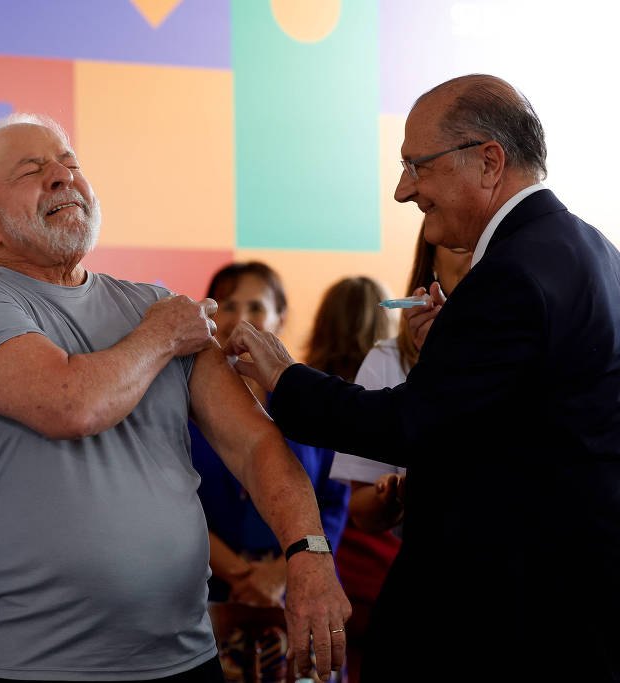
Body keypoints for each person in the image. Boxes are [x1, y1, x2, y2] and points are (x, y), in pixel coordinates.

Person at [0, 113, 351, 682]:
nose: (62, 177)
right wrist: (161, 336)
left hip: (185, 657)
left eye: (69, 163)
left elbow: (255, 446)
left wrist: (309, 553)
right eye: (32, 170)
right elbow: (71, 404)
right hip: (31, 666)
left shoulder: (157, 306)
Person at [223, 74, 620, 680]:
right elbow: (520, 417)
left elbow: (408, 423)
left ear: (489, 161)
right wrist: (453, 354)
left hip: (503, 617)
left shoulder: (513, 272)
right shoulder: (592, 249)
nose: (403, 189)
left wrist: (286, 376)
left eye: (417, 166)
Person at [194, 265, 377, 682]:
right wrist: (241, 574)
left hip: (301, 588)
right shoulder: (184, 403)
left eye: (257, 307)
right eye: (229, 305)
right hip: (212, 595)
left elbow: (335, 501)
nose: (241, 318)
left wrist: (283, 570)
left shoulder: (310, 397)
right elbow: (176, 501)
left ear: (280, 316)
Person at [327, 226, 471, 682]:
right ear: (431, 264)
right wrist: (395, 493)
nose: (476, 257)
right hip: (427, 590)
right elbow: (362, 510)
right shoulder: (388, 360)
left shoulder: (539, 348)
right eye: (460, 246)